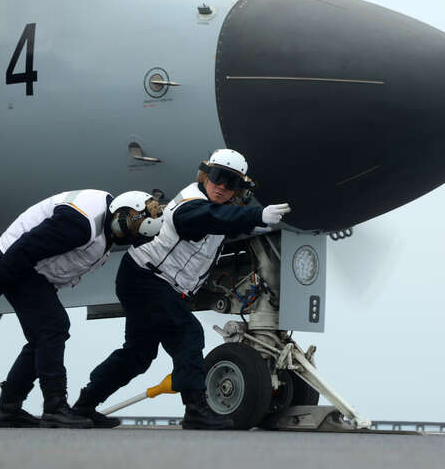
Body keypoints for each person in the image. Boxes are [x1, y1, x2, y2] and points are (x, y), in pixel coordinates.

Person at [72, 149, 291, 429]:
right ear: (205, 175)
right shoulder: (190, 205)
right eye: (217, 177)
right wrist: (259, 214)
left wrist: (263, 224)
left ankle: (84, 405)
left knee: (138, 355)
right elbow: (209, 218)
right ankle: (196, 409)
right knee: (188, 334)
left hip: (151, 282)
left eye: (231, 183)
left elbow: (225, 223)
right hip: (146, 279)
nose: (222, 186)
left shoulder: (218, 210)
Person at [0, 189, 162, 429]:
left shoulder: (109, 220)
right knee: (53, 327)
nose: (123, 234)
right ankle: (54, 408)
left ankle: (8, 409)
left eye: (132, 234)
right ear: (121, 209)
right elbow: (26, 247)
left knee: (43, 336)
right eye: (125, 225)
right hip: (14, 261)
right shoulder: (79, 224)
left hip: (35, 270)